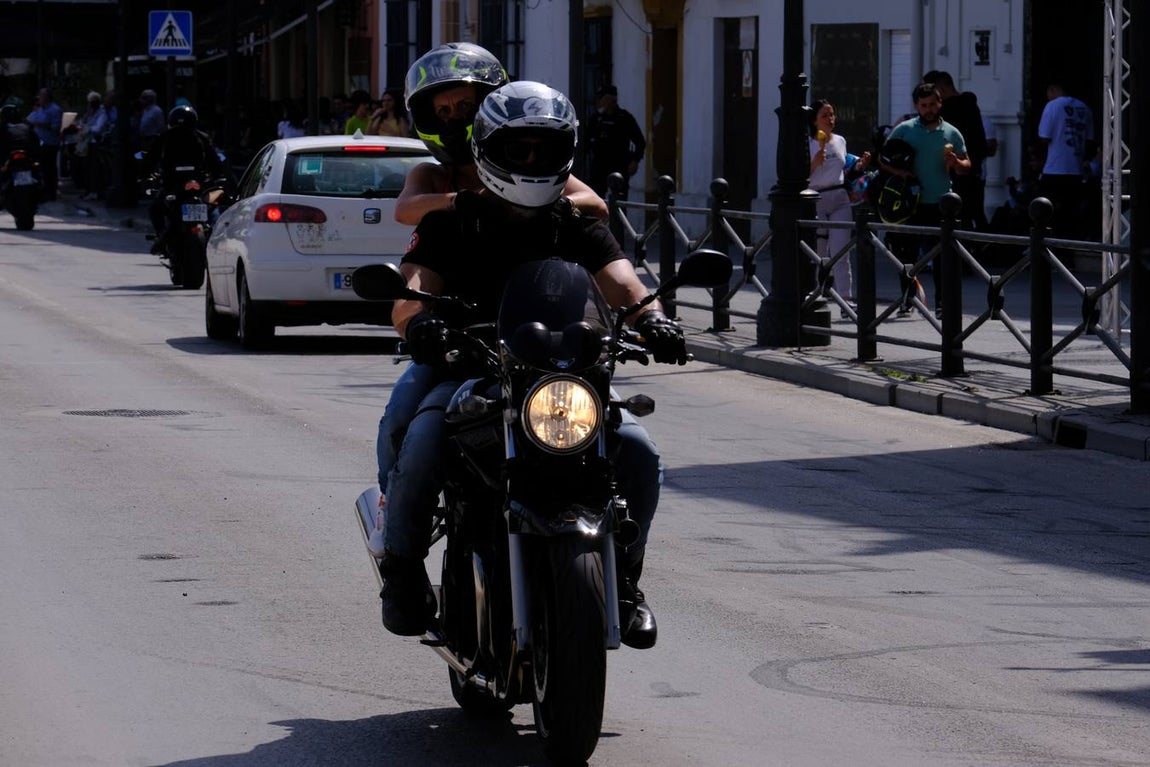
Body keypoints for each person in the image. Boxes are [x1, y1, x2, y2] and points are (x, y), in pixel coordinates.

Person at [376, 80, 679, 650]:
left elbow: (621, 279)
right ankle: (403, 572)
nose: (533, 160)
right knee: (421, 440)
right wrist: (418, 322)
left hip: (563, 375)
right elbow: (414, 283)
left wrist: (652, 318)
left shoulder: (573, 217)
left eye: (544, 147)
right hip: (472, 368)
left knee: (638, 451)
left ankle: (628, 582)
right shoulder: (451, 217)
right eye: (519, 149)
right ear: (489, 146)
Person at [379, 42, 608, 520]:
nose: (453, 118)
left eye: (466, 106)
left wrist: (537, 197)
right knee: (404, 414)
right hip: (465, 343)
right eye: (442, 110)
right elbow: (404, 210)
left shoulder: (538, 167)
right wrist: (460, 201)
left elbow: (596, 206)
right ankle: (395, 513)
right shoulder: (433, 176)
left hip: (540, 342)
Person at [880, 82, 971, 318]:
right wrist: (901, 173)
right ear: (917, 106)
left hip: (941, 202)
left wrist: (956, 163)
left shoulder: (951, 132)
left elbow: (966, 165)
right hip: (911, 201)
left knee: (942, 256)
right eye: (923, 105)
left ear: (940, 103)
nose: (928, 109)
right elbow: (884, 158)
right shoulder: (905, 129)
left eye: (932, 104)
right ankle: (908, 298)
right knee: (906, 254)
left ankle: (942, 303)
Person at [808, 99, 870, 315]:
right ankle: (815, 295)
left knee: (841, 250)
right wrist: (814, 163)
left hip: (839, 197)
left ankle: (845, 299)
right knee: (818, 252)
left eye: (832, 114)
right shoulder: (808, 143)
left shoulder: (840, 141)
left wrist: (859, 166)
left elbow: (844, 172)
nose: (830, 119)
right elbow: (799, 177)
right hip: (816, 198)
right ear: (815, 120)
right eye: (824, 115)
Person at [142, 106, 225, 254]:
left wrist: (147, 176)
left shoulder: (165, 137)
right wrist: (217, 177)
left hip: (176, 184)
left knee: (155, 208)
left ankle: (162, 237)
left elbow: (150, 161)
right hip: (193, 184)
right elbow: (215, 163)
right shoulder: (201, 137)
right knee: (212, 207)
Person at [922, 71, 988, 231]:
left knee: (955, 213)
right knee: (975, 212)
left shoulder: (950, 110)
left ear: (941, 89)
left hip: (955, 171)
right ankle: (981, 250)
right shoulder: (971, 106)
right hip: (975, 169)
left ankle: (961, 251)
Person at [1037, 81, 1095, 240]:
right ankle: (1069, 251)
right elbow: (1090, 140)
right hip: (1076, 170)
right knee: (1072, 215)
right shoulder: (1085, 108)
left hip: (1055, 169)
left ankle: (1048, 251)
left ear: (1052, 89)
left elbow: (1044, 136)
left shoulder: (1052, 106)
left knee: (1047, 213)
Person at [585, 84, 646, 198]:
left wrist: (635, 161)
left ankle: (617, 216)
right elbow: (586, 142)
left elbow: (640, 142)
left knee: (619, 202)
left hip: (619, 166)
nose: (599, 102)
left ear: (610, 100)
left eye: (602, 98)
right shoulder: (596, 118)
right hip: (599, 167)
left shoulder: (624, 118)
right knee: (596, 199)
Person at [26, 87, 63, 201]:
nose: (39, 98)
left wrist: (40, 124)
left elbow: (56, 127)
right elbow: (30, 119)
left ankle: (51, 192)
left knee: (49, 169)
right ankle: (43, 190)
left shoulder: (55, 110)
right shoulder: (40, 109)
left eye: (41, 96)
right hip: (38, 142)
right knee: (41, 168)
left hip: (50, 143)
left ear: (47, 97)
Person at [137, 89, 166, 153]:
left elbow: (161, 129)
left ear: (150, 99)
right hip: (143, 140)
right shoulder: (145, 110)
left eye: (144, 98)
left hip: (152, 141)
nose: (141, 100)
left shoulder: (157, 111)